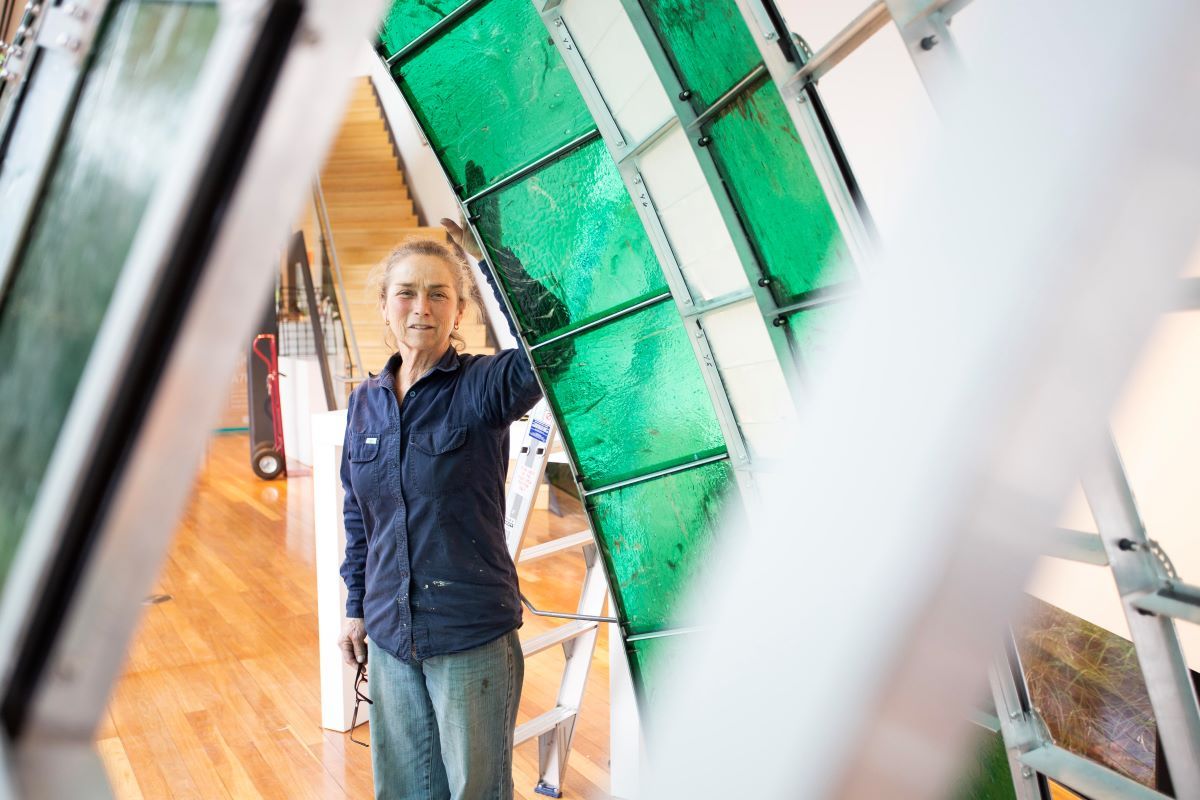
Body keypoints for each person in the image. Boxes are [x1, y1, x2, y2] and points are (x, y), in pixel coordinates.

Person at [338, 219, 541, 800]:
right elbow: (360, 519)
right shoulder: (365, 404)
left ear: (460, 310)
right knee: (402, 789)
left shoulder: (482, 386)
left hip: (469, 634)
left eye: (438, 293)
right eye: (405, 292)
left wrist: (494, 259)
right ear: (384, 306)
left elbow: (554, 342)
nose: (420, 306)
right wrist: (355, 608)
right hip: (391, 637)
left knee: (476, 790)